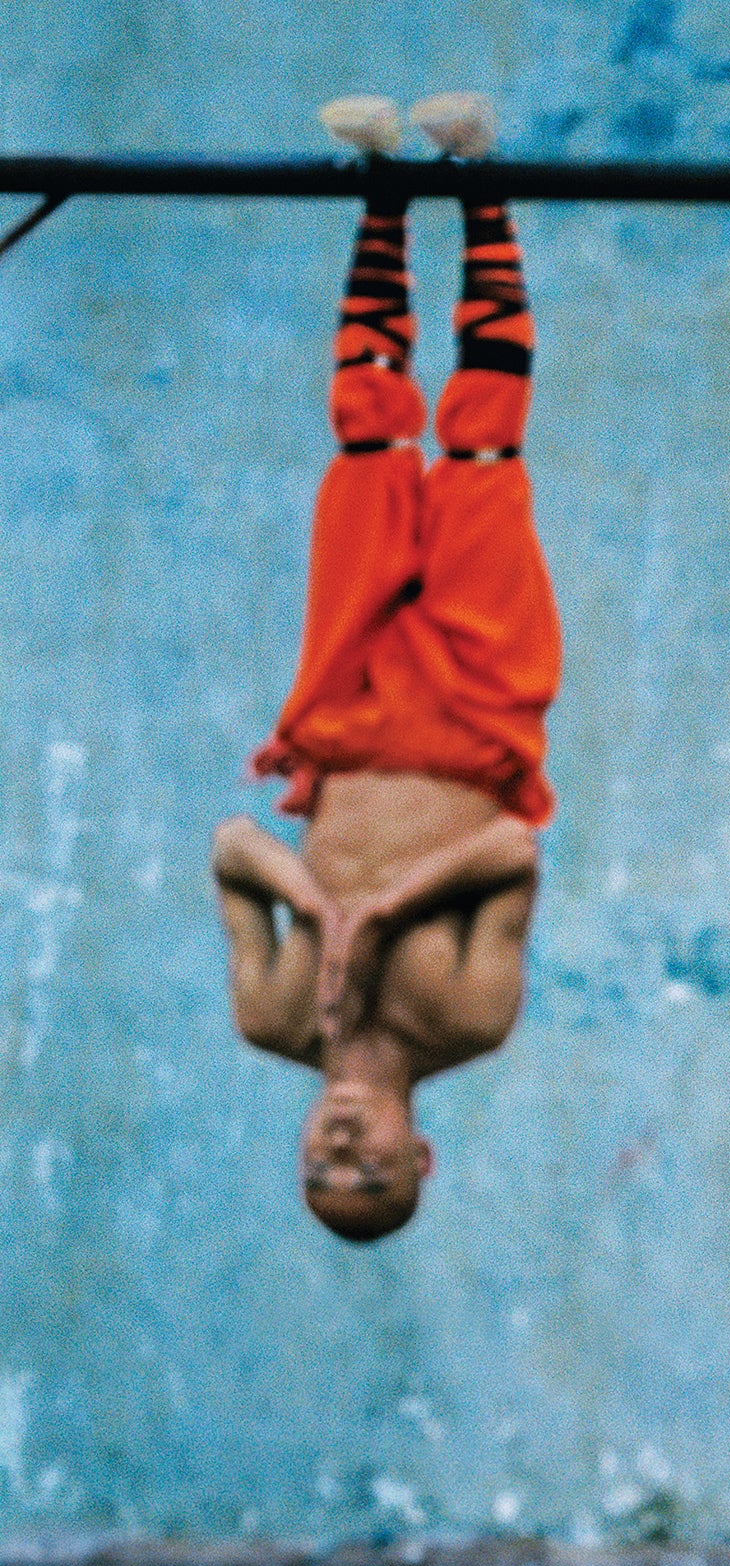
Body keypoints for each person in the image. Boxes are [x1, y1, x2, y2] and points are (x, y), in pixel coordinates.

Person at [215, 93, 557, 1244]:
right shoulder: (467, 1022)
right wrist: (385, 916)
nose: (344, 1155)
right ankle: (481, 184)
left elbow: (232, 849)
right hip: (476, 717)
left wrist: (317, 907)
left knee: (367, 448)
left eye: (323, 1174)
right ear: (421, 1153)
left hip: (345, 714)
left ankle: (382, 196)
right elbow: (511, 850)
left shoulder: (272, 1017)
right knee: (477, 450)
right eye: (374, 1175)